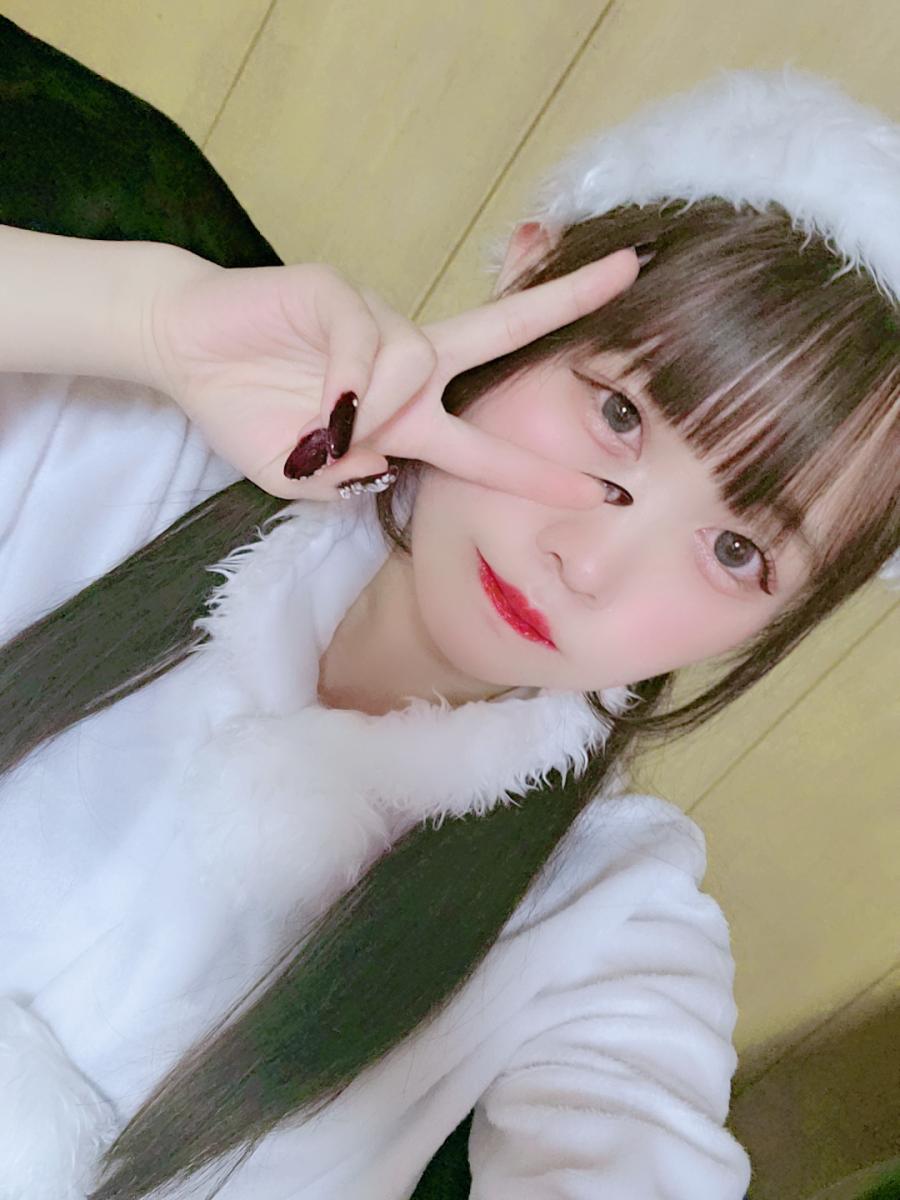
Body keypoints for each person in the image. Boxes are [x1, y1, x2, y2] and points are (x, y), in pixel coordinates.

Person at [0, 59, 897, 1200]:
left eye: (736, 550)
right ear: (527, 270)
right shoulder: (130, 462)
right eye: (620, 411)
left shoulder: (607, 921)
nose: (590, 561)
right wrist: (148, 319)